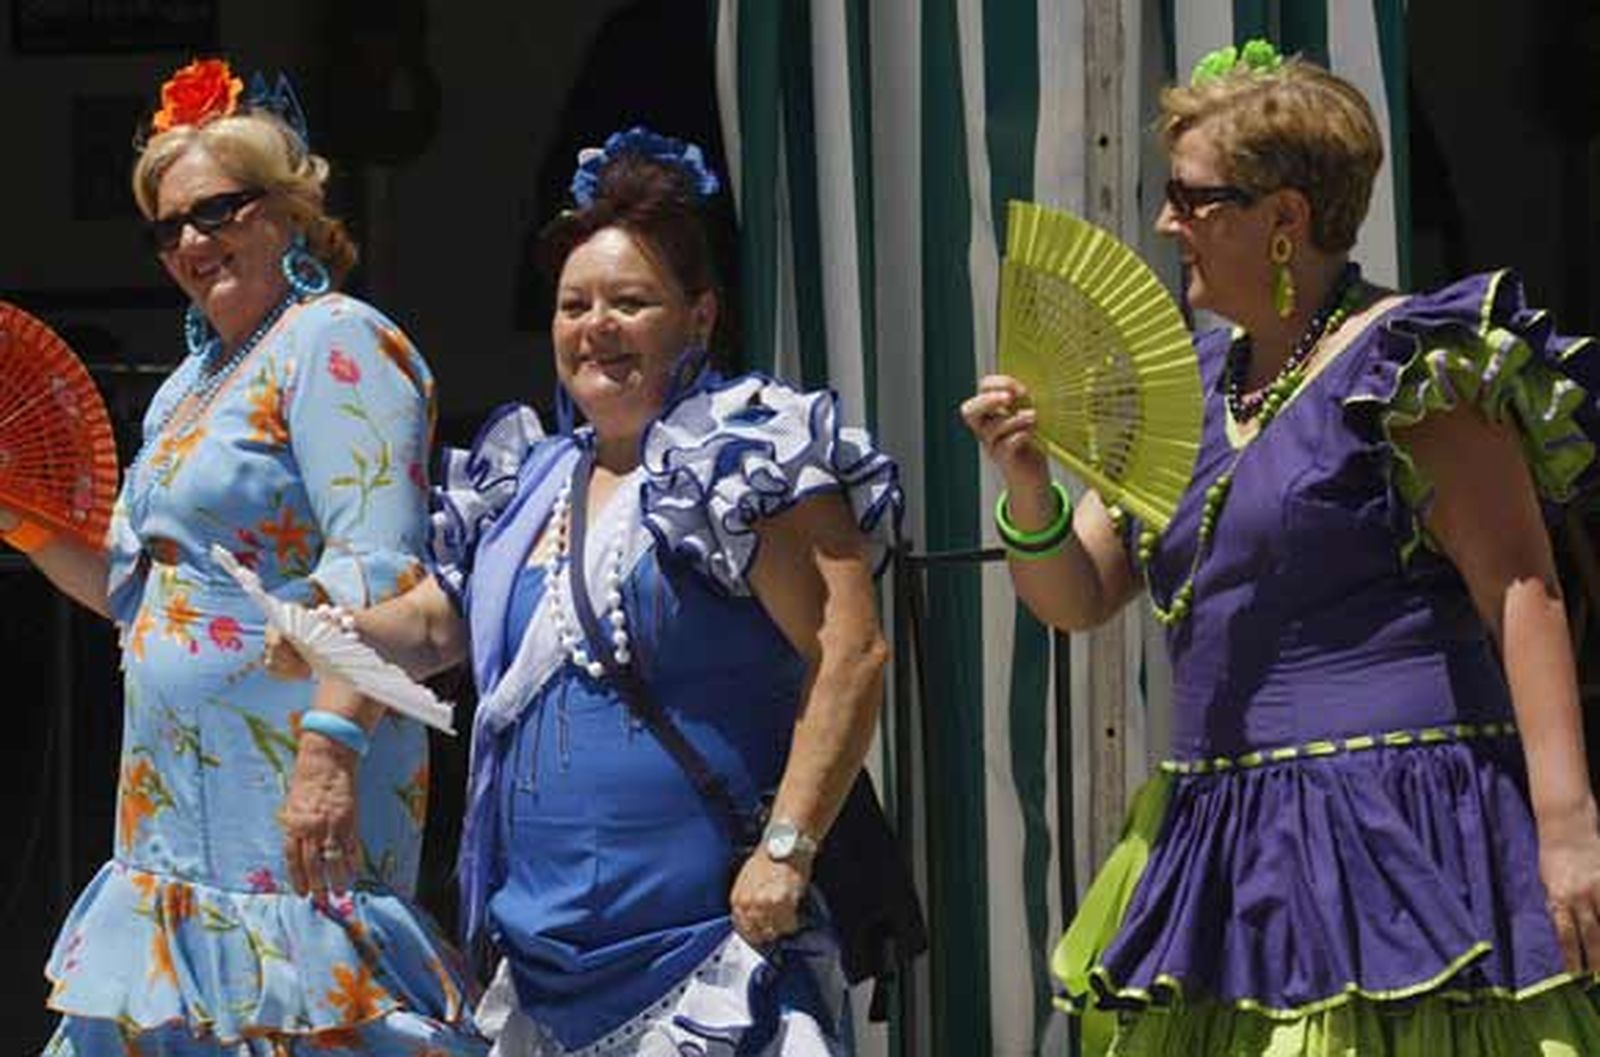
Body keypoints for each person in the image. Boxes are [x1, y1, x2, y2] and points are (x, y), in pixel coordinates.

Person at [963, 41, 1600, 1055]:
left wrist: (1568, 825)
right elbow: (1074, 597)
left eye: (1191, 194)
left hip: (1397, 829)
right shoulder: (1181, 387)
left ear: (1283, 220)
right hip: (1221, 833)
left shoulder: (1411, 367)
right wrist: (1028, 485)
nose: (1166, 220)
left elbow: (1521, 583)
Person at [277, 127, 900, 1055]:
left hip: (708, 951)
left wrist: (787, 849)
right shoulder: (526, 476)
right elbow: (442, 625)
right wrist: (342, 631)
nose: (594, 325)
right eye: (575, 304)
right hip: (540, 967)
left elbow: (851, 653)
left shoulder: (749, 460)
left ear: (700, 314)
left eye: (630, 301)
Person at [16, 59, 484, 1054]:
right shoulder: (186, 383)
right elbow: (137, 593)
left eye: (218, 210)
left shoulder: (336, 340)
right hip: (170, 829)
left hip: (287, 813)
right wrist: (17, 516)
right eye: (167, 226)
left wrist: (330, 747)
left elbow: (378, 569)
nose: (192, 242)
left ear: (290, 212)